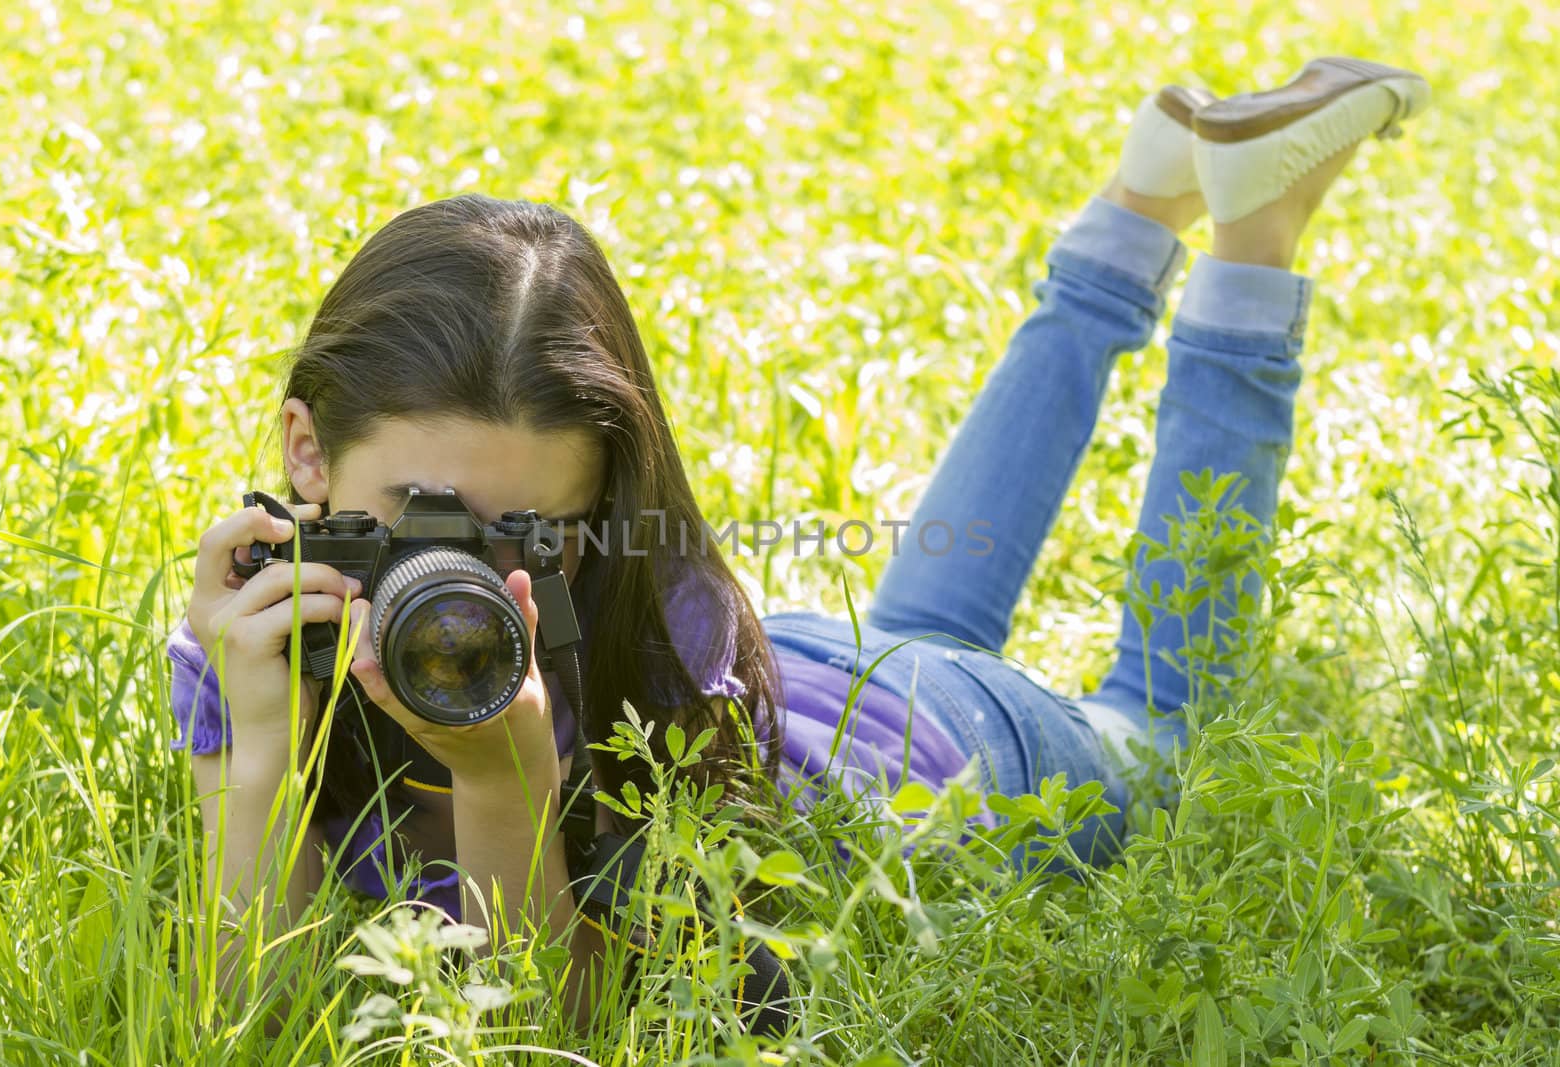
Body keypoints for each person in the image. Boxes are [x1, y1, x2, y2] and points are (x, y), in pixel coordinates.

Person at [167, 56, 1429, 1016]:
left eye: (528, 531)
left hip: (939, 759)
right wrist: (250, 759)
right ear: (307, 454)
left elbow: (559, 1025)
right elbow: (248, 1012)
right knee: (920, 624)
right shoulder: (269, 626)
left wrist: (510, 783)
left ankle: (1252, 237)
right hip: (813, 676)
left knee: (1163, 719)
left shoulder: (656, 625)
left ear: (599, 512)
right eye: (410, 518)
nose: (459, 575)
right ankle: (1142, 200)